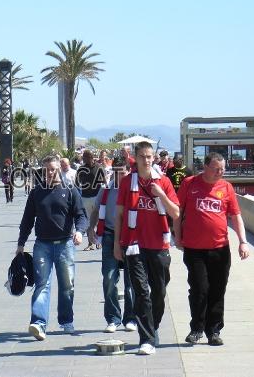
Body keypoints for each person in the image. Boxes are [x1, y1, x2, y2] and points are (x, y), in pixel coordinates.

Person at [174, 152, 250, 346]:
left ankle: (213, 330)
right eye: (216, 169)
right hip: (194, 248)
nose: (220, 172)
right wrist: (177, 236)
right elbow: (177, 212)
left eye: (222, 169)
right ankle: (196, 328)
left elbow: (235, 216)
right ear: (205, 167)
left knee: (217, 290)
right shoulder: (189, 184)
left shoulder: (226, 187)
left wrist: (243, 241)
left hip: (220, 249)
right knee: (200, 288)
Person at [114, 141, 180, 355]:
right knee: (142, 292)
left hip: (159, 245)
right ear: (136, 157)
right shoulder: (126, 182)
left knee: (159, 292)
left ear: (154, 158)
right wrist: (117, 244)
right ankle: (147, 339)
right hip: (134, 246)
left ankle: (153, 326)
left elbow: (176, 213)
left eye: (149, 156)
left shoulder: (165, 182)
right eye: (142, 156)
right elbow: (120, 215)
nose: (146, 160)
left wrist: (160, 193)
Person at [16, 155, 87, 341]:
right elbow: (27, 220)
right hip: (42, 245)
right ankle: (39, 323)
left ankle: (66, 320)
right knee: (42, 284)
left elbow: (81, 215)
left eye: (53, 169)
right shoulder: (36, 192)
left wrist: (79, 231)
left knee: (67, 286)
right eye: (46, 169)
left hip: (65, 245)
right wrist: (21, 244)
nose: (49, 172)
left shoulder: (70, 190)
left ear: (59, 169)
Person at [88, 157, 136, 333]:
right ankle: (113, 318)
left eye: (122, 171)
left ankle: (131, 318)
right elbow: (95, 210)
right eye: (115, 171)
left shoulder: (134, 189)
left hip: (130, 237)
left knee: (131, 281)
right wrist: (91, 228)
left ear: (128, 171)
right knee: (109, 278)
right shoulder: (106, 189)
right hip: (109, 236)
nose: (118, 175)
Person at [76, 150, 105, 250]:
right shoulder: (81, 169)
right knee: (88, 221)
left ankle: (99, 241)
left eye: (86, 157)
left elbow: (104, 182)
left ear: (91, 158)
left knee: (98, 220)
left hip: (97, 196)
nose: (84, 159)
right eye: (83, 157)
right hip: (85, 197)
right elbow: (77, 182)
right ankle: (90, 243)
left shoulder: (99, 168)